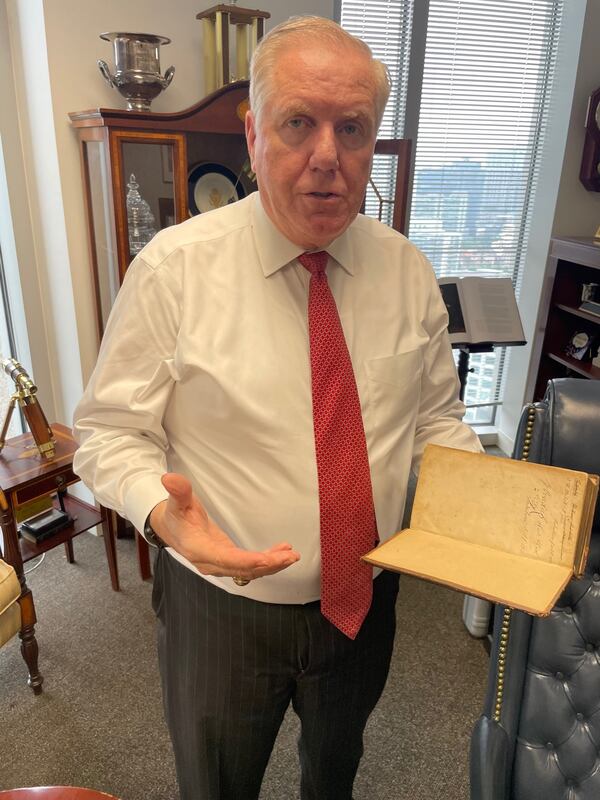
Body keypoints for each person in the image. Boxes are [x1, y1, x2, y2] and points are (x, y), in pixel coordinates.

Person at [73, 15, 481, 800]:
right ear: (254, 132)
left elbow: (435, 422)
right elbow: (108, 434)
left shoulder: (406, 272)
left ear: (373, 143)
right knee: (218, 782)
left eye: (352, 128)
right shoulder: (174, 270)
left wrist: (489, 506)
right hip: (222, 609)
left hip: (363, 601)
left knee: (335, 771)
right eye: (299, 122)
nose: (326, 156)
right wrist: (161, 515)